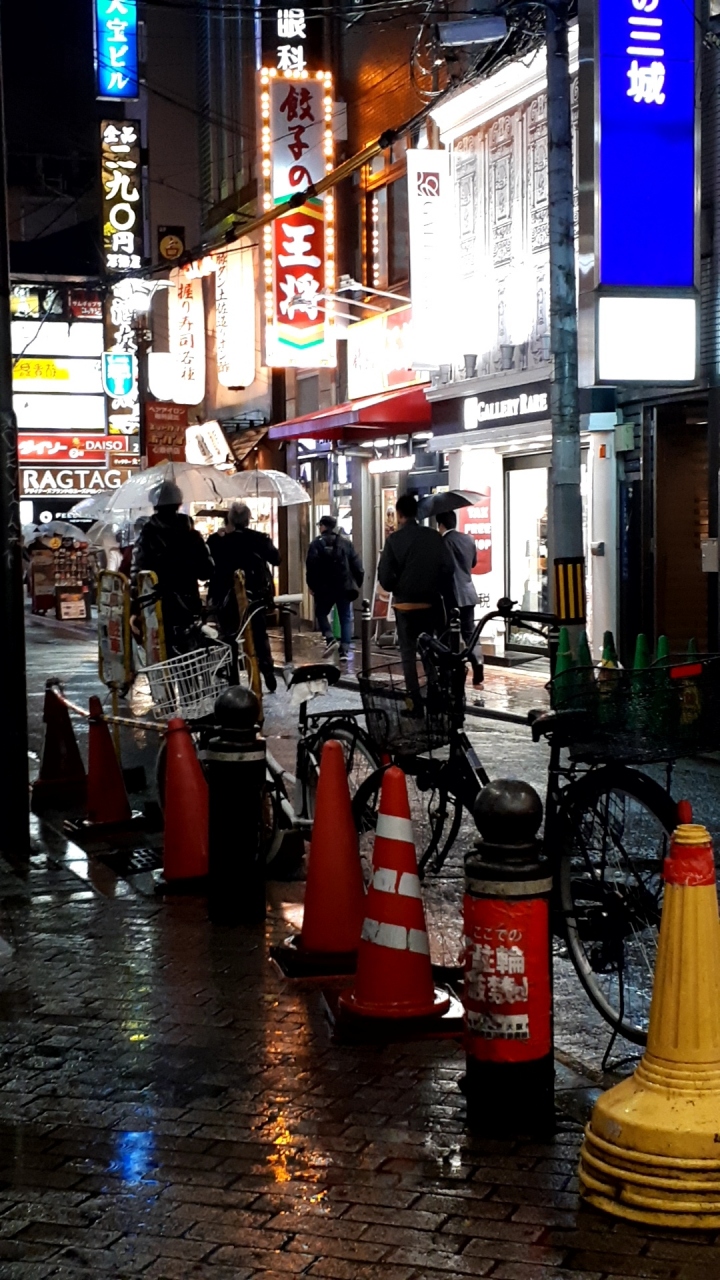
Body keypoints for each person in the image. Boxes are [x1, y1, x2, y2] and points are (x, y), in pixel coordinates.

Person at [378, 493, 456, 699]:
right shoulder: (434, 537)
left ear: (399, 514)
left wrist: (399, 586)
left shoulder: (394, 540)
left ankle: (413, 700)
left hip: (405, 605)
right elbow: (448, 568)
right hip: (430, 603)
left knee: (408, 653)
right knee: (428, 648)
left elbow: (385, 578)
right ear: (416, 512)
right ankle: (434, 690)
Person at [131, 479, 213, 657]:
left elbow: (137, 573)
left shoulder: (147, 536)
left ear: (154, 505)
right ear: (179, 504)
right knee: (190, 659)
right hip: (188, 605)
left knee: (162, 657)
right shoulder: (192, 536)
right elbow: (206, 571)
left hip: (156, 606)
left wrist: (134, 606)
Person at [207, 500, 280, 692]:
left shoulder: (217, 541)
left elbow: (208, 568)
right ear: (248, 520)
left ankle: (232, 678)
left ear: (230, 520)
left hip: (225, 597)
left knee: (229, 636)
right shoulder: (258, 539)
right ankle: (267, 671)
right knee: (259, 634)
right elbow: (277, 559)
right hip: (255, 596)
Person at [305, 515, 364, 661]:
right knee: (345, 617)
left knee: (321, 612)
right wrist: (356, 583)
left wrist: (312, 586)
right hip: (344, 586)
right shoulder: (346, 543)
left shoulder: (316, 544)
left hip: (324, 588)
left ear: (323, 526)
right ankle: (345, 650)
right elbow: (357, 566)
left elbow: (311, 568)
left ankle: (330, 637)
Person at [436, 510, 484, 687]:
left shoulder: (443, 542)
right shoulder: (468, 539)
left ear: (440, 524)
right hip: (468, 592)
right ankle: (478, 661)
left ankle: (450, 670)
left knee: (447, 633)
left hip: (450, 595)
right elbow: (473, 563)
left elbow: (444, 568)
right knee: (470, 632)